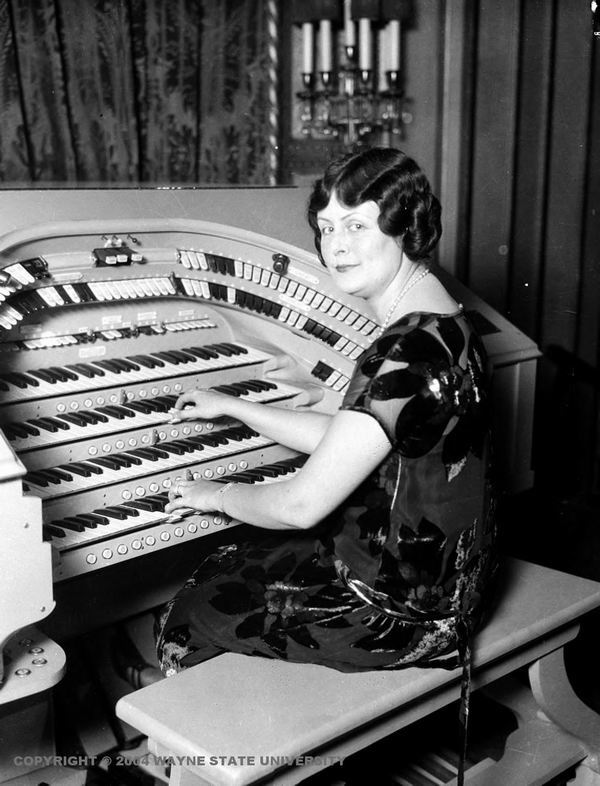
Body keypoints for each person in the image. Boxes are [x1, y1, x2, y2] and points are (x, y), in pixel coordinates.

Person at [142, 147, 497, 684]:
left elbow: (299, 506)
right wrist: (238, 408)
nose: (336, 248)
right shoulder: (450, 325)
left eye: (356, 225)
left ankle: (199, 744)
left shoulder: (398, 353)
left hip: (388, 615)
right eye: (327, 228)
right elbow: (356, 438)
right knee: (241, 558)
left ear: (405, 226)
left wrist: (212, 495)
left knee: (190, 606)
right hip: (453, 588)